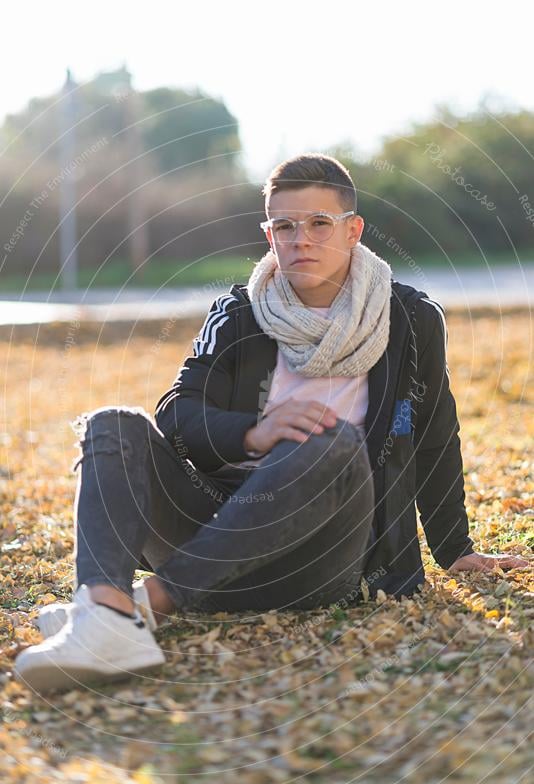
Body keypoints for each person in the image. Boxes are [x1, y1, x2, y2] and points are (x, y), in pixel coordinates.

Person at [15, 153, 528, 693]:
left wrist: (454, 549)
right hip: (212, 536)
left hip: (324, 556)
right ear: (269, 234)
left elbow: (434, 436)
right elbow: (179, 413)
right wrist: (253, 432)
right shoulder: (239, 312)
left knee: (329, 438)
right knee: (112, 422)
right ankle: (105, 613)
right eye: (284, 226)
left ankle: (147, 607)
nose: (300, 239)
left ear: (352, 230)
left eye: (318, 224)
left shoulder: (412, 319)